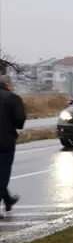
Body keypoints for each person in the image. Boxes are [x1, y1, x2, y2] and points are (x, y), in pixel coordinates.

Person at [0, 74, 26, 214]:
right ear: (8, 85)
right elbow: (19, 121)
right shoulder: (14, 98)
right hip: (5, 141)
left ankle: (8, 200)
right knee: (3, 174)